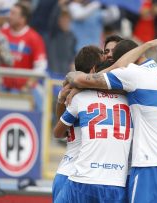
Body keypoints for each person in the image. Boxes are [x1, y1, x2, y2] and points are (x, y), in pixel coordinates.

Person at [65, 37, 157, 203]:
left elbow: (78, 79)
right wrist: (147, 45)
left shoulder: (132, 74)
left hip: (151, 163)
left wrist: (76, 81)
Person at [53, 45, 132, 203]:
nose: (109, 59)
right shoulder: (127, 98)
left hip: (75, 173)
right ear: (95, 68)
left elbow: (58, 132)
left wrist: (64, 96)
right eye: (105, 55)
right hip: (86, 174)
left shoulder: (76, 95)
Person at [0, 2, 47, 110]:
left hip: (24, 90)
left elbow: (41, 66)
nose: (9, 16)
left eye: (13, 13)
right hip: (2, 88)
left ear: (22, 19)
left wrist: (29, 83)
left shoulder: (34, 38)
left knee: (42, 109)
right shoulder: (1, 33)